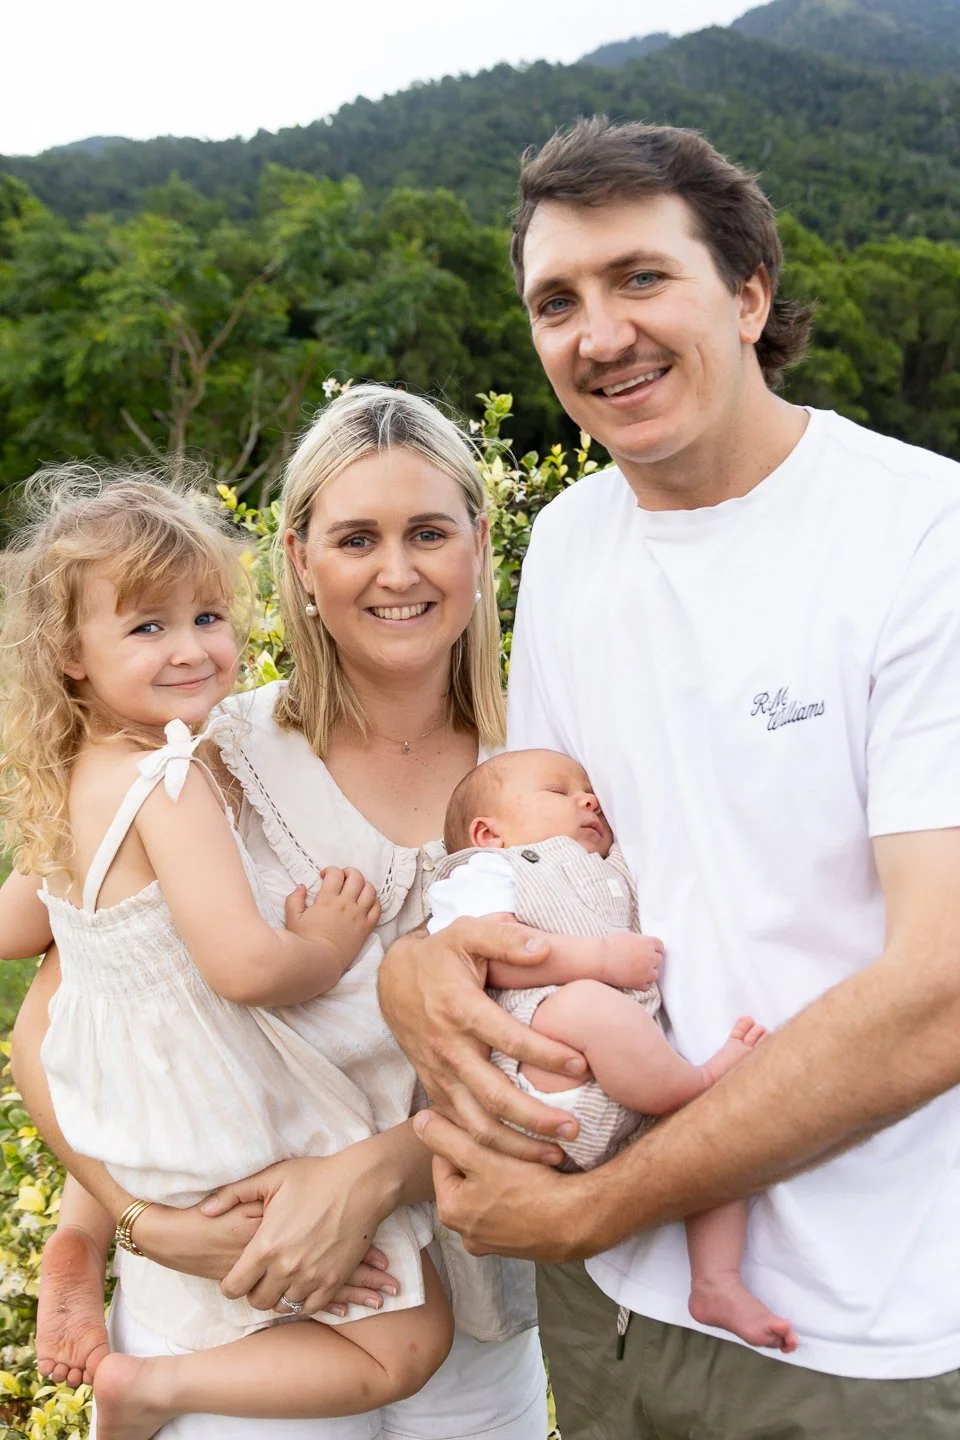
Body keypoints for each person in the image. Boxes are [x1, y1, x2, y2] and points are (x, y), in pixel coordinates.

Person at [378, 118, 960, 1438]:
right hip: (609, 1311)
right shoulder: (578, 539)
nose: (599, 333)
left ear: (750, 293)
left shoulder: (924, 539)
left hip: (843, 1331)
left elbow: (941, 994)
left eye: (642, 278)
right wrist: (420, 965)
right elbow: (554, 861)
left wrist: (588, 1207)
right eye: (557, 302)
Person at [9, 386, 547, 1440]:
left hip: (475, 1313)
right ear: (299, 558)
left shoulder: (541, 775)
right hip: (229, 1301)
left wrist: (377, 1173)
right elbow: (77, 1006)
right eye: (357, 538)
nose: (397, 571)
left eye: (430, 532)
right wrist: (121, 1223)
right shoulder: (207, 757)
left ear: (480, 545)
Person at [430, 748, 795, 1352]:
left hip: (625, 1087)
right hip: (539, 1063)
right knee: (587, 1004)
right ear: (488, 832)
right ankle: (698, 1081)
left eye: (590, 791)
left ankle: (716, 1281)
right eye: (558, 791)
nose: (588, 799)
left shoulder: (609, 865)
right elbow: (485, 954)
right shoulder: (485, 871)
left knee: (717, 1147)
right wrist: (596, 960)